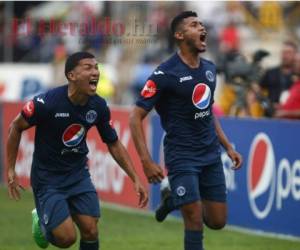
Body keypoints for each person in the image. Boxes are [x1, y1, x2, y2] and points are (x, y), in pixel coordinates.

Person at [6, 52, 148, 250]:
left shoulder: (98, 105)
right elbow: (15, 127)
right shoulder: (47, 103)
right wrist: (11, 169)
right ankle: (42, 223)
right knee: (66, 239)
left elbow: (113, 143)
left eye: (96, 67)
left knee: (91, 230)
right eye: (88, 68)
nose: (95, 72)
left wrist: (135, 178)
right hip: (48, 179)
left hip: (77, 175)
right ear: (71, 75)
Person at [129, 11, 242, 250]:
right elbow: (135, 117)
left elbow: (208, 112)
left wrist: (228, 146)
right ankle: (180, 198)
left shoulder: (210, 69)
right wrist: (146, 161)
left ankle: (171, 199)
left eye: (202, 24)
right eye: (194, 25)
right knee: (194, 218)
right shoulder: (165, 73)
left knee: (217, 221)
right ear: (180, 35)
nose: (202, 28)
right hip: (182, 156)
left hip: (210, 154)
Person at [259, 40, 297, 105]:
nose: (285, 56)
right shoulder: (270, 73)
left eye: (289, 53)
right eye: (283, 53)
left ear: (295, 55)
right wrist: (265, 105)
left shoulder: (298, 75)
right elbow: (258, 92)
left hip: (292, 113)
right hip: (271, 113)